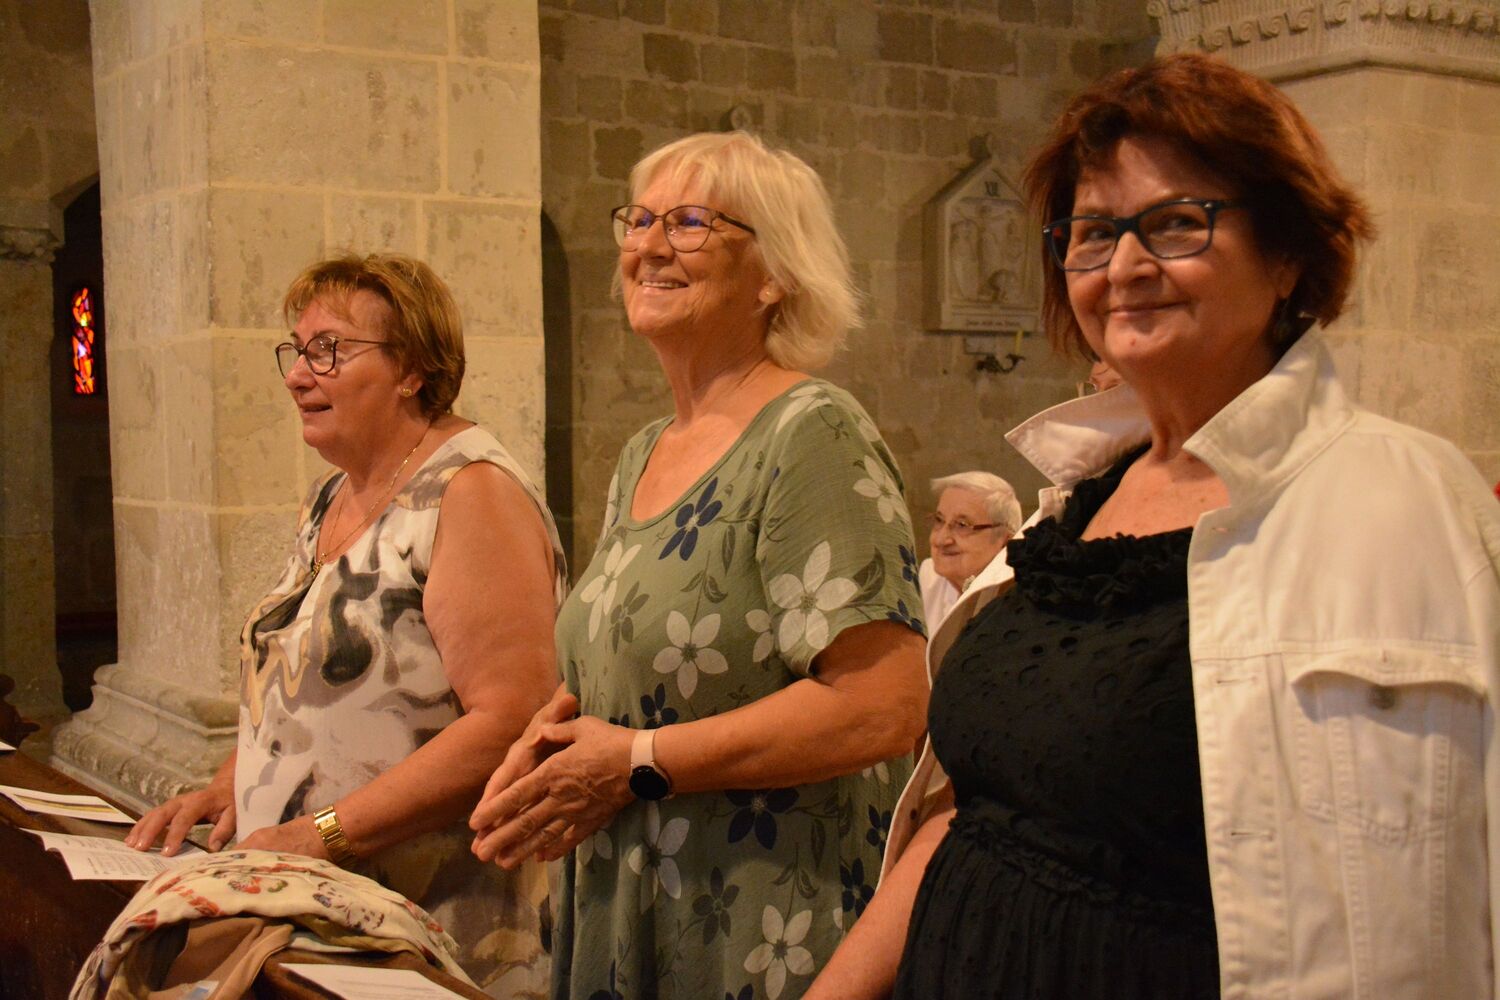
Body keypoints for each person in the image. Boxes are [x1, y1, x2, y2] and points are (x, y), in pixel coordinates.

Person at [809, 53, 1500, 1000]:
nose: (1127, 266)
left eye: (1177, 223)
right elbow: (980, 809)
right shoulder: (1073, 510)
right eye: (1094, 233)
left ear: (1289, 252)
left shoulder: (1407, 502)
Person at [469, 131, 929, 1000]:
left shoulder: (813, 432)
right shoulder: (644, 451)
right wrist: (554, 732)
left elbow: (882, 706)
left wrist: (634, 758)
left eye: (688, 223)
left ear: (774, 274)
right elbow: (643, 654)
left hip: (761, 915)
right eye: (639, 220)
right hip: (635, 892)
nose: (647, 245)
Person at [125, 252, 565, 996]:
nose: (299, 375)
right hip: (316, 904)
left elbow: (512, 719)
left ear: (413, 368)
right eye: (297, 352)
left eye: (329, 350)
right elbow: (302, 682)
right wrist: (233, 782)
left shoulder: (470, 494)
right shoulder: (333, 496)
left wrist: (318, 833)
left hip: (428, 917)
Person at [918, 472, 1021, 630]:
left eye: (962, 525)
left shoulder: (1021, 603)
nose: (941, 540)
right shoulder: (928, 578)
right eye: (939, 520)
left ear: (1006, 541)